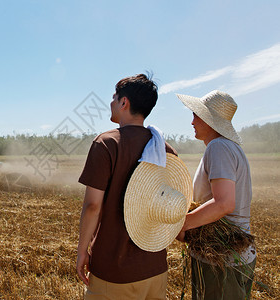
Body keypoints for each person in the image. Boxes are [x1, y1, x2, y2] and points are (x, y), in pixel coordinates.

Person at [76, 73, 177, 299]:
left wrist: (82, 250)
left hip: (114, 271)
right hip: (155, 268)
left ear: (124, 102)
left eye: (114, 97)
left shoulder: (107, 143)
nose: (111, 103)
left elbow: (93, 206)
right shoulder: (164, 148)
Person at [176, 90, 256, 300]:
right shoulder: (231, 148)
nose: (192, 121)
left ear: (208, 119)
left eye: (196, 115)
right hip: (235, 257)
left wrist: (184, 223)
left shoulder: (218, 147)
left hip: (221, 260)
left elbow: (224, 204)